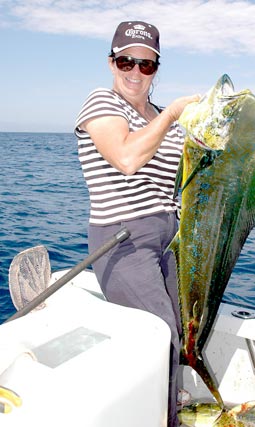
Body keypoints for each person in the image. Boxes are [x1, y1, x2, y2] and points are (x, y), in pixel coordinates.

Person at [74, 21, 199, 427]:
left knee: (180, 330)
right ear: (112, 63)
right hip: (122, 237)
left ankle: (166, 409)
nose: (134, 72)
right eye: (126, 61)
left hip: (171, 238)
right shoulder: (101, 103)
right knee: (159, 332)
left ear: (156, 69)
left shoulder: (168, 119)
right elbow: (126, 158)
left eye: (145, 65)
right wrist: (174, 115)